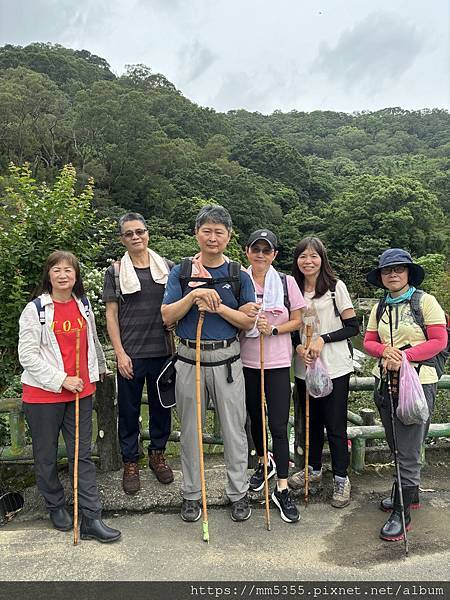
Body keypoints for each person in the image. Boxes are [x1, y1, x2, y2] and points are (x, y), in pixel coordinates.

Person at [161, 204, 256, 523]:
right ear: (196, 234)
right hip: (189, 358)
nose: (212, 237)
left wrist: (217, 308)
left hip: (228, 359)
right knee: (189, 431)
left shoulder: (238, 274)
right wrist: (193, 297)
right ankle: (191, 495)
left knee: (234, 430)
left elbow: (247, 321)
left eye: (219, 232)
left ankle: (238, 493)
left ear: (229, 236)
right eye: (207, 231)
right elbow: (167, 316)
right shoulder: (181, 271)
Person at [18, 251, 121, 542]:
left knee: (82, 455)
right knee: (47, 456)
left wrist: (98, 369)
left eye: (69, 270)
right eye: (57, 270)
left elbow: (91, 343)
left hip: (81, 392)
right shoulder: (36, 309)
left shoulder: (83, 305)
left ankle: (91, 517)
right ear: (48, 275)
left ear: (76, 276)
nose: (63, 275)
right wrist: (62, 379)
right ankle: (54, 506)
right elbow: (27, 356)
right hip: (43, 395)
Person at [364, 248, 447, 541]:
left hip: (418, 383)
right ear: (382, 276)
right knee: (395, 443)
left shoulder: (426, 302)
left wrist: (405, 355)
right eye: (387, 270)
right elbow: (369, 341)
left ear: (409, 272)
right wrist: (384, 351)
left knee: (408, 449)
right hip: (385, 381)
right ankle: (407, 495)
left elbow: (439, 340)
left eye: (399, 269)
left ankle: (403, 512)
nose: (393, 274)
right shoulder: (380, 307)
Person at [102, 212, 174, 494]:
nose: (135, 237)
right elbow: (111, 315)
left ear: (148, 234)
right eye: (129, 233)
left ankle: (158, 454)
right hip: (131, 354)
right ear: (122, 238)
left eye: (139, 232)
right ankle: (130, 460)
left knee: (162, 408)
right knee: (129, 411)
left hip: (163, 352)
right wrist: (119, 353)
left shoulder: (166, 267)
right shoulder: (116, 272)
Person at [288, 237, 359, 508]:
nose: (308, 261)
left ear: (322, 259)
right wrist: (297, 347)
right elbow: (292, 326)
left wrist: (322, 339)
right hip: (305, 368)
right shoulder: (291, 289)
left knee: (335, 424)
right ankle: (313, 469)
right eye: (303, 256)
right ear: (296, 260)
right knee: (311, 422)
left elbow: (352, 327)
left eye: (314, 256)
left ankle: (341, 477)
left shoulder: (334, 288)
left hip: (335, 367)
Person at [240, 229, 305, 523]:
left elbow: (298, 320)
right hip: (247, 362)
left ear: (274, 255)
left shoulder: (286, 282)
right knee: (255, 418)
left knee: (278, 424)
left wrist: (274, 329)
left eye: (267, 251)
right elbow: (231, 314)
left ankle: (281, 488)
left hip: (277, 362)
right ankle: (264, 462)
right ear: (247, 251)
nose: (261, 255)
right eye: (257, 249)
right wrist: (249, 318)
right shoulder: (240, 280)